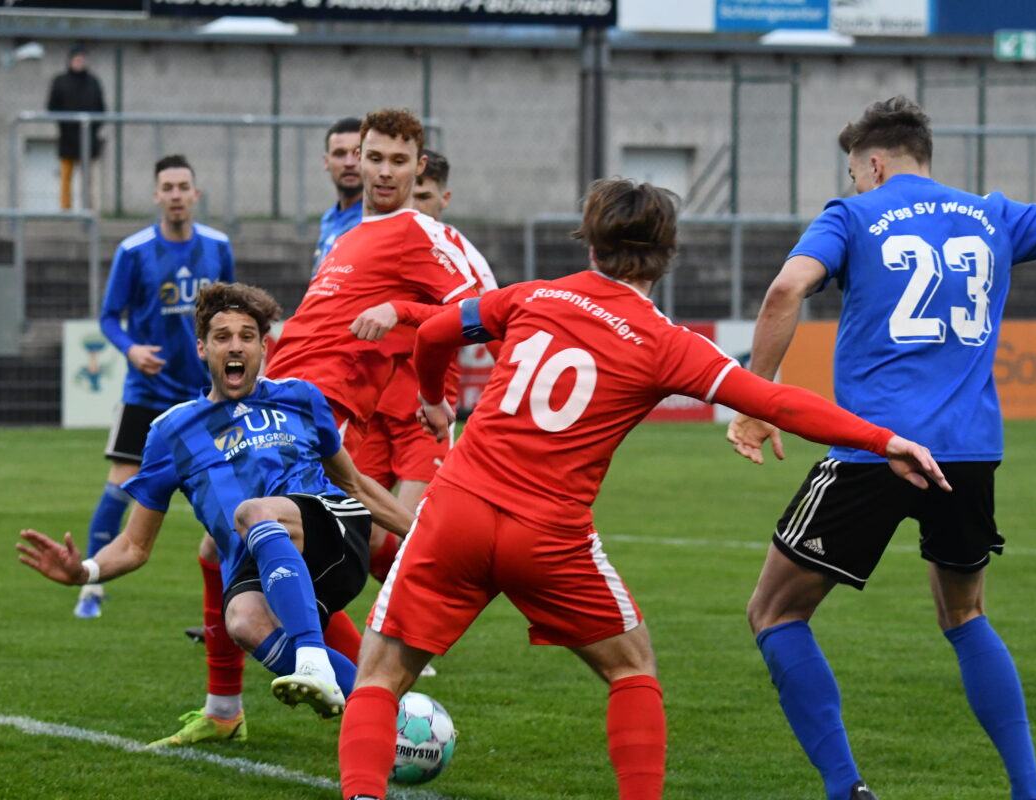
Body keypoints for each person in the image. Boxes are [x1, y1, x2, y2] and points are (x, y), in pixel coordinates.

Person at [337, 177, 950, 800]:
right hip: (548, 536)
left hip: (456, 513)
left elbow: (432, 334)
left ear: (591, 241)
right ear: (667, 252)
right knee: (632, 671)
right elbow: (774, 400)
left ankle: (362, 792)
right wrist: (885, 440)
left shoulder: (530, 296)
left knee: (381, 677)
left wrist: (435, 401)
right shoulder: (666, 344)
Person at [726, 96, 1036, 800]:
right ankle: (1030, 792)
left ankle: (847, 788)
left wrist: (757, 403)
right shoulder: (992, 214)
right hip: (969, 453)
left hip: (876, 449)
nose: (853, 184)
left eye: (854, 172)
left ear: (873, 164)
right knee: (966, 616)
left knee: (774, 613)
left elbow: (788, 286)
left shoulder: (853, 215)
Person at [18, 282, 415, 740]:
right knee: (243, 620)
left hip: (332, 530)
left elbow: (353, 483)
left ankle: (311, 659)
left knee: (251, 513)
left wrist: (421, 531)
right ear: (202, 349)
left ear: (264, 347)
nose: (236, 346)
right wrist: (84, 572)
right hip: (267, 558)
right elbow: (133, 544)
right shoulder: (171, 432)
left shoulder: (300, 398)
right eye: (223, 337)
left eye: (248, 336)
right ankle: (397, 723)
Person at [266, 111, 482, 650]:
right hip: (283, 400)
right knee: (250, 549)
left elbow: (481, 313)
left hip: (327, 407)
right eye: (376, 157)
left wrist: (401, 315)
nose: (385, 172)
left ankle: (368, 674)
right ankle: (363, 674)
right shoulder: (349, 235)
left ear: (420, 166)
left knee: (268, 547)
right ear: (357, 158)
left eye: (400, 161)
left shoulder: (421, 232)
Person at [76, 154, 234, 620]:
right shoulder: (133, 250)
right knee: (119, 490)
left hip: (203, 395)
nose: (176, 195)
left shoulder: (218, 246)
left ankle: (238, 597)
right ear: (156, 195)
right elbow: (109, 316)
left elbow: (229, 311)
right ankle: (90, 585)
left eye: (184, 186)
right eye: (168, 187)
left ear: (196, 194)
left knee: (232, 494)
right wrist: (131, 351)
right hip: (146, 395)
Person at [349, 149, 498, 576]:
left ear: (443, 199)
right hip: (370, 409)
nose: (417, 206)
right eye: (412, 195)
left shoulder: (459, 255)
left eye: (426, 196)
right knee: (359, 532)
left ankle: (401, 629)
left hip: (423, 414)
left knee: (406, 538)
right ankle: (384, 625)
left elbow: (486, 323)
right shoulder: (377, 241)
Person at [46, 43, 106, 211]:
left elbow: (101, 109)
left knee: (88, 179)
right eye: (76, 59)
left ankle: (88, 209)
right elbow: (52, 107)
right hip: (67, 137)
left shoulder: (93, 82)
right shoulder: (60, 82)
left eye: (81, 59)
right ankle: (66, 209)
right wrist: (64, 126)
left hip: (88, 138)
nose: (79, 62)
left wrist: (93, 129)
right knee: (66, 176)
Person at [312, 117, 364, 274]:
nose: (349, 162)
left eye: (358, 153)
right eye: (340, 153)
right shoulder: (328, 218)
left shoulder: (376, 220)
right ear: (326, 161)